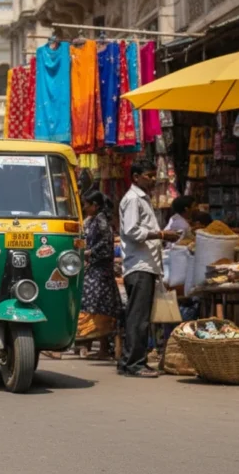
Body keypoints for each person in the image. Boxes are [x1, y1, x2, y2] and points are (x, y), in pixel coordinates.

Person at [118, 159, 180, 378]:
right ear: (136, 177)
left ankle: (129, 362)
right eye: (149, 176)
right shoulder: (133, 199)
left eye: (154, 176)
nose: (153, 180)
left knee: (138, 316)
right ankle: (134, 363)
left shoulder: (142, 199)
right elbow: (132, 231)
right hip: (139, 265)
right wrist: (162, 235)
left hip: (146, 264)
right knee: (138, 317)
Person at [75, 190, 120, 360]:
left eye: (87, 204)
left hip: (99, 271)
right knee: (97, 308)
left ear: (95, 205)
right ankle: (99, 348)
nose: (85, 207)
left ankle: (102, 348)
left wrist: (89, 253)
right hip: (96, 269)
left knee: (95, 307)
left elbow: (106, 243)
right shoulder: (93, 220)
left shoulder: (100, 221)